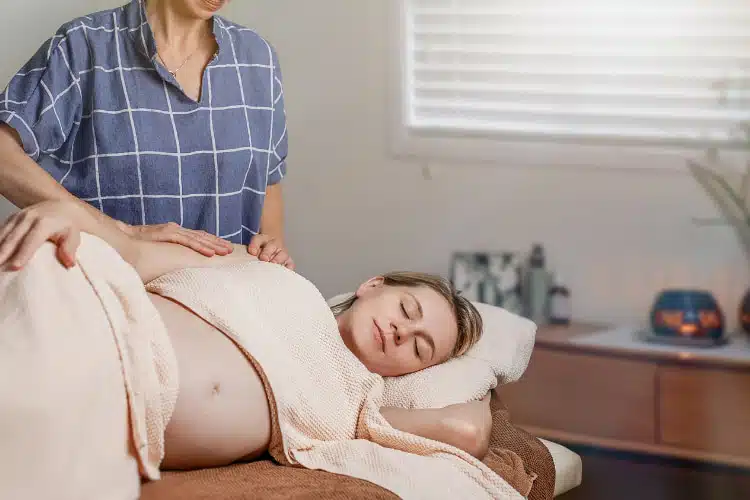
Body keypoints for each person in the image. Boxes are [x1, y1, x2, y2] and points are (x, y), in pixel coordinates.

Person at [0, 200, 491, 472]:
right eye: (408, 309)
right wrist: (62, 214)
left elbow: (465, 430)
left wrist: (483, 374)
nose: (402, 331)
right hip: (84, 318)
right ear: (373, 285)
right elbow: (132, 254)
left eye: (420, 348)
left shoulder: (360, 403)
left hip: (101, 409)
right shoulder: (269, 273)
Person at [0, 0, 294, 269]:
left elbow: (267, 181)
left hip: (222, 309)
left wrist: (272, 247)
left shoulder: (259, 58)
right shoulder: (84, 46)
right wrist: (115, 229)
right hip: (108, 301)